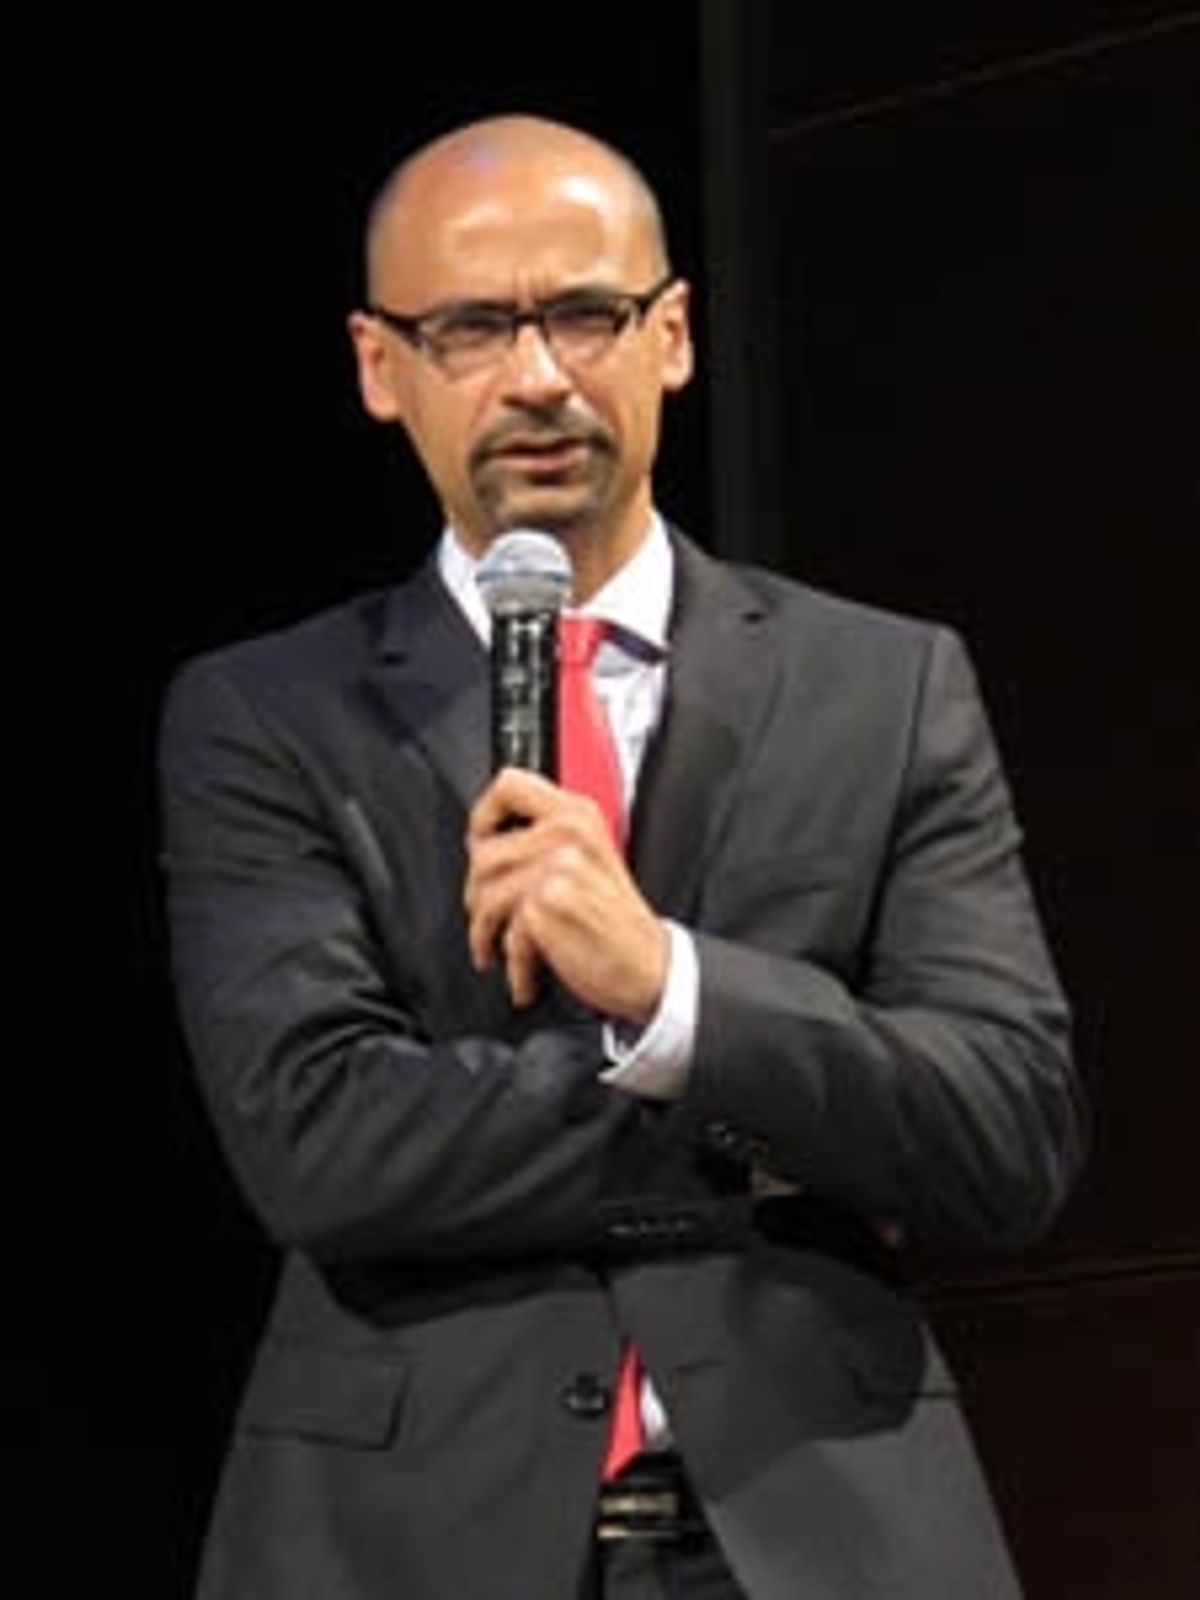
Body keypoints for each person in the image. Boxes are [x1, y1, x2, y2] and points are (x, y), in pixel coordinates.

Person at [160, 113, 1084, 1600]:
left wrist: (673, 991)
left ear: (673, 337)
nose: (537, 375)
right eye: (469, 326)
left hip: (821, 1526)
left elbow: (1007, 1130)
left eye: (585, 313)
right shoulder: (265, 716)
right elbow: (320, 1144)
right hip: (402, 1536)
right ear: (378, 365)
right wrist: (768, 1119)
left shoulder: (887, 684)